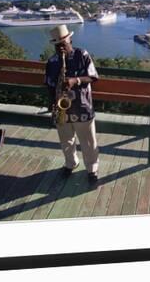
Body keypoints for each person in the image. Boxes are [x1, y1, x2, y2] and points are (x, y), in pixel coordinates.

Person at [45, 24, 100, 183]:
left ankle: (92, 168)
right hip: (63, 109)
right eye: (57, 44)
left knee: (88, 142)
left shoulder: (82, 54)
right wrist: (52, 104)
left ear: (70, 39)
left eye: (63, 42)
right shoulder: (52, 61)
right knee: (66, 141)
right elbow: (48, 84)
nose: (61, 46)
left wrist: (75, 80)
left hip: (82, 107)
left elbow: (93, 77)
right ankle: (71, 163)